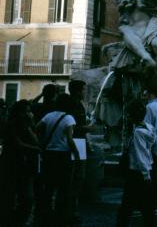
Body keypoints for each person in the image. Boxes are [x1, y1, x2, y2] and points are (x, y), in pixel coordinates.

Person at [116, 99, 157, 227]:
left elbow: (141, 156)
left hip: (137, 173)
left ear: (131, 115)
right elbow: (156, 147)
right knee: (145, 206)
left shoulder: (138, 133)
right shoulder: (149, 128)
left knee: (128, 205)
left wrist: (145, 174)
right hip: (145, 171)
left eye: (128, 114)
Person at [36, 93, 80, 227]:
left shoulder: (48, 116)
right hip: (63, 156)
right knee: (64, 188)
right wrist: (77, 155)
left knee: (48, 187)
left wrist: (42, 142)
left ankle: (46, 216)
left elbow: (37, 128)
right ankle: (61, 218)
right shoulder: (69, 118)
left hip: (49, 155)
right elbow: (70, 140)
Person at [0, 100, 40, 227]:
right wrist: (37, 149)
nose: (29, 114)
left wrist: (30, 126)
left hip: (25, 166)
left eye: (30, 111)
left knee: (26, 198)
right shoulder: (10, 125)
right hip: (11, 164)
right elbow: (19, 145)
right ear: (19, 113)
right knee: (9, 197)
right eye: (26, 111)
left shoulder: (28, 126)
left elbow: (36, 141)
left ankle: (15, 221)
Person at [67, 79, 89, 225]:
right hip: (76, 144)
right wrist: (87, 129)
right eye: (83, 90)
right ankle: (71, 211)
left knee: (76, 179)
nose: (85, 92)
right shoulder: (73, 105)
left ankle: (71, 210)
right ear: (76, 91)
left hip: (80, 142)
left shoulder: (75, 104)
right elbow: (72, 127)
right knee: (75, 178)